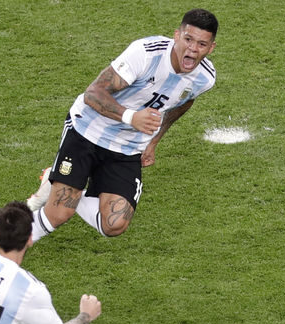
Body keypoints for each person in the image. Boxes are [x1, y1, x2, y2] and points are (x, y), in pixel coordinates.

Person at [27, 9, 219, 241]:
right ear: (176, 35)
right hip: (87, 129)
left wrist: (153, 140)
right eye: (188, 39)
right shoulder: (146, 53)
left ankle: (58, 182)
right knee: (59, 213)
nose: (192, 49)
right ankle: (3, 251)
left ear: (211, 48)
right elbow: (93, 93)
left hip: (128, 145)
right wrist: (131, 117)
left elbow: (184, 101)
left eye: (201, 44)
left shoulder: (204, 78)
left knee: (114, 224)